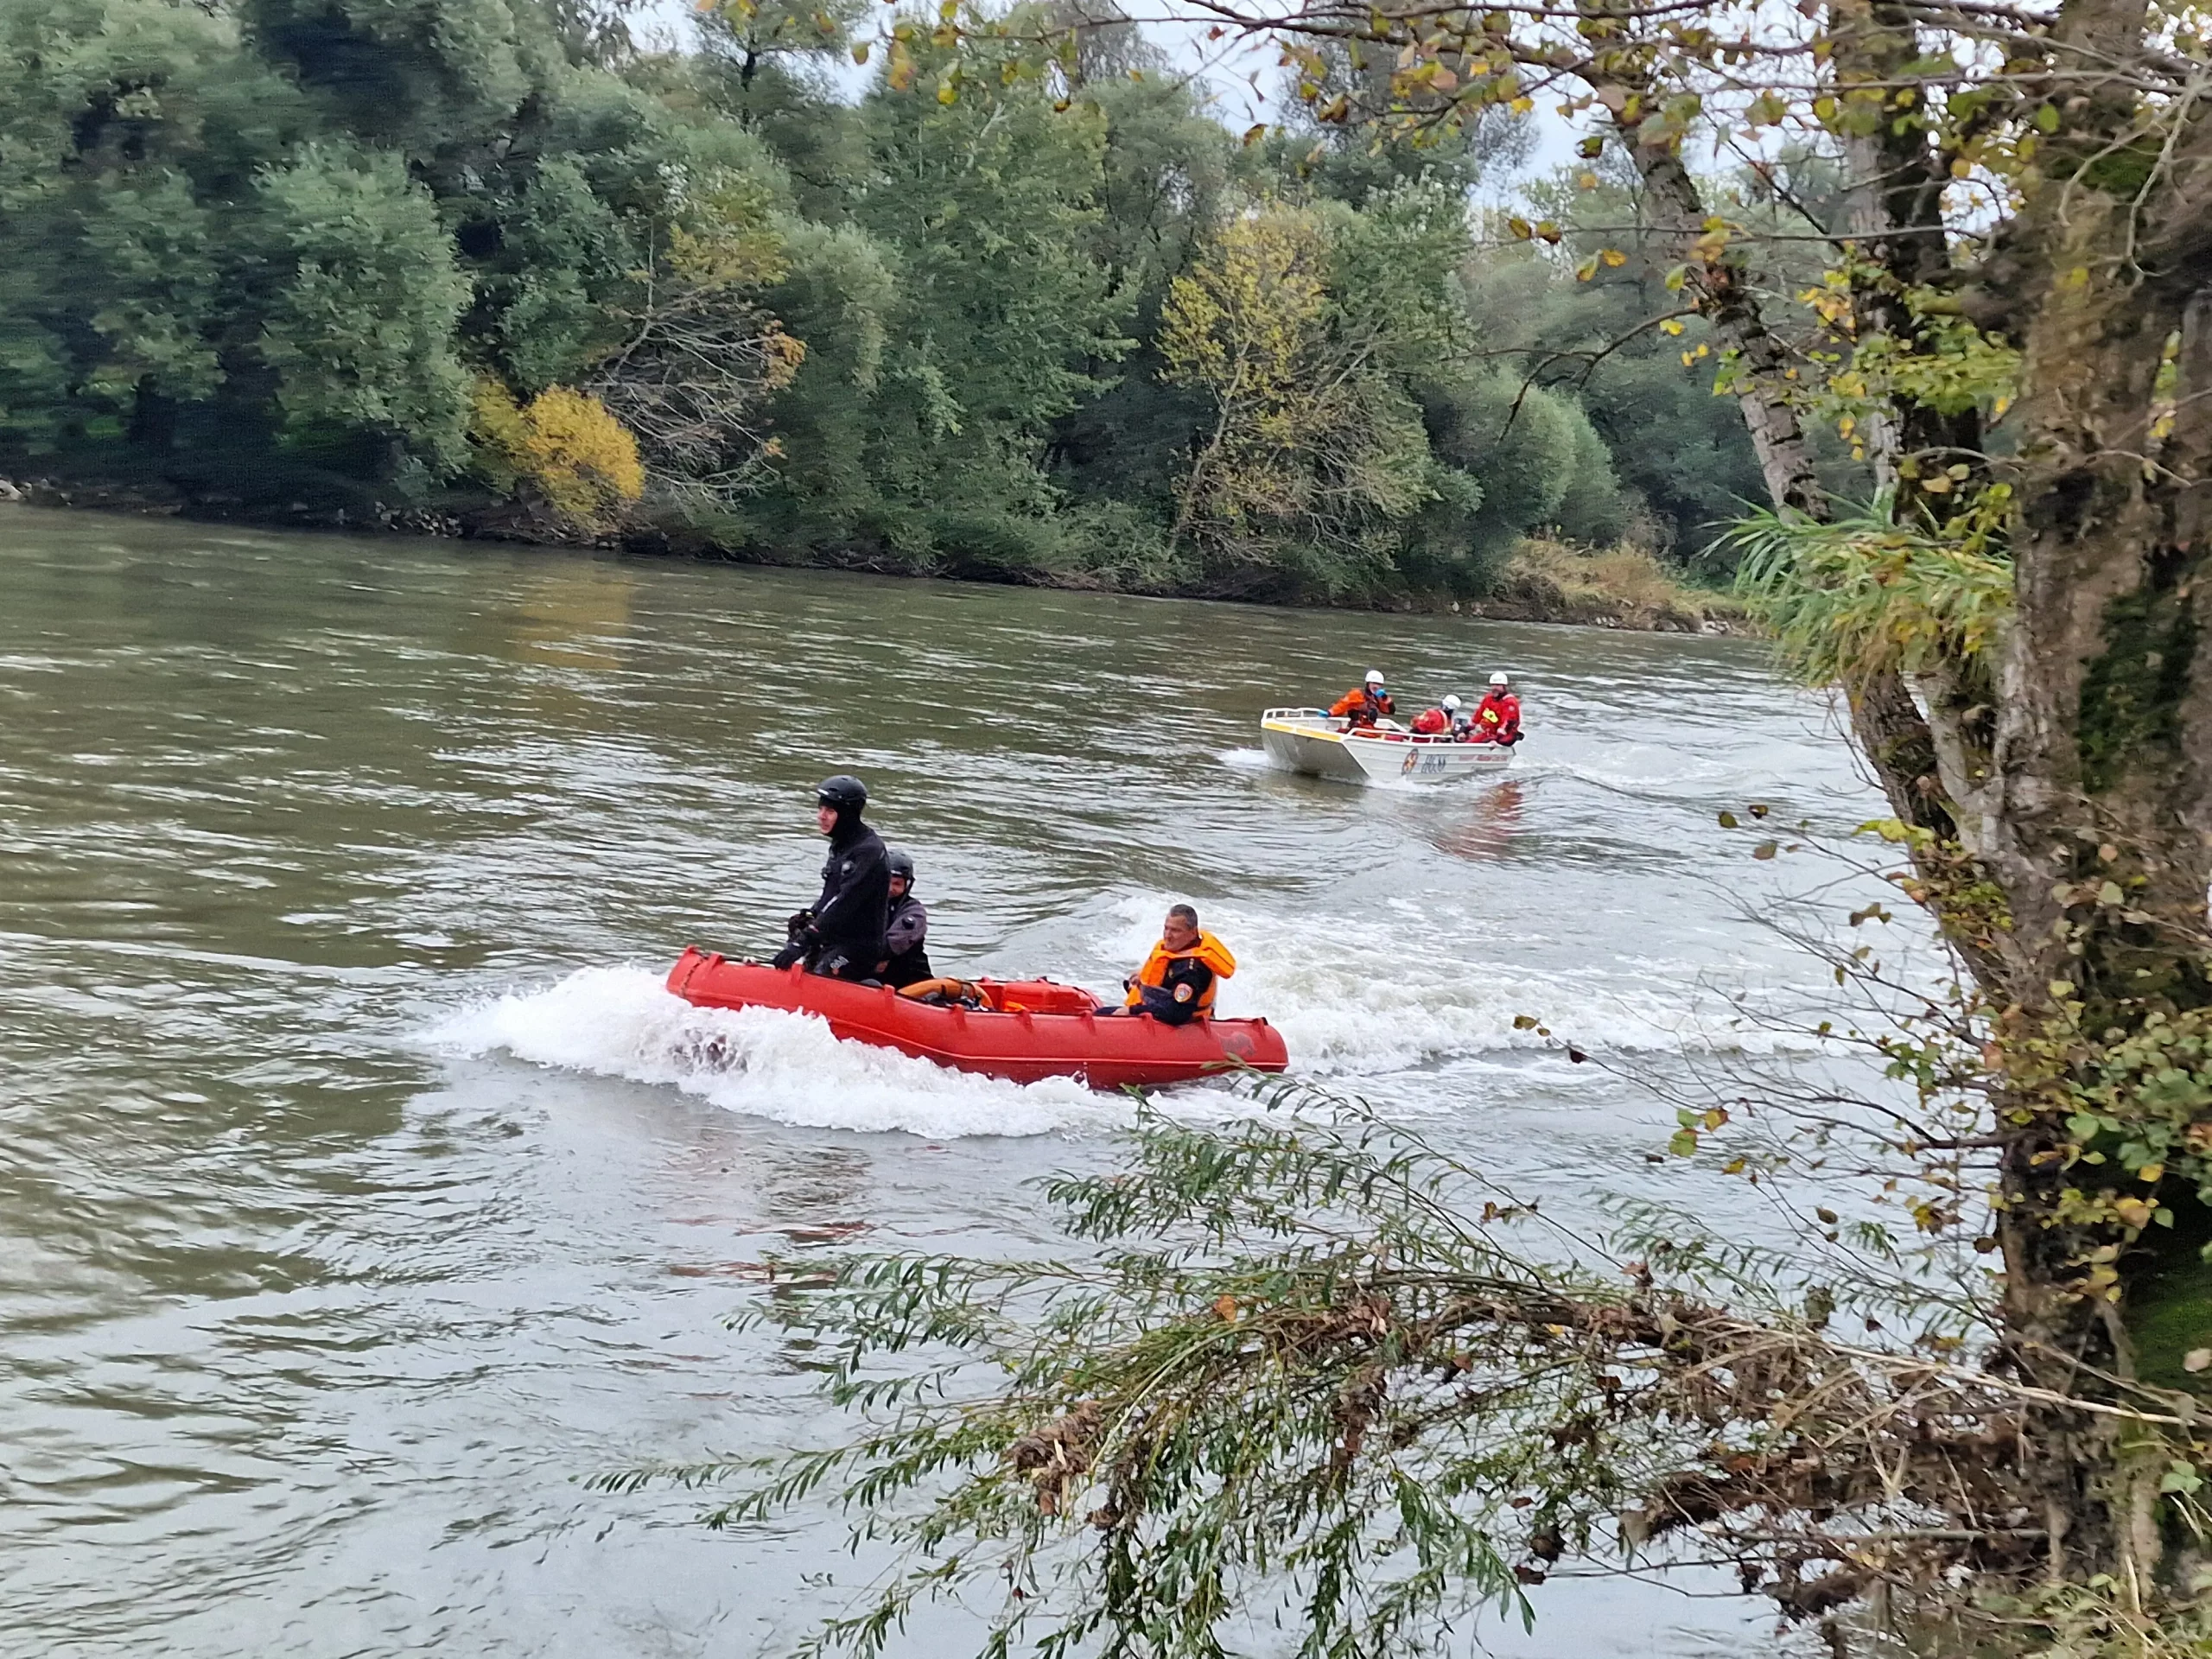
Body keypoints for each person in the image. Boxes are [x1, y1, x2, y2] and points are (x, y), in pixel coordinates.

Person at [771, 774, 889, 980]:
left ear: (848, 815)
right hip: (831, 938)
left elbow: (844, 902)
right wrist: (811, 915)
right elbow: (830, 894)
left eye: (830, 811)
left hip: (857, 947)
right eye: (820, 809)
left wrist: (803, 942)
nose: (821, 816)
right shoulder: (841, 844)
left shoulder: (869, 851)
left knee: (821, 976)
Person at [1119, 904, 1236, 1027]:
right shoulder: (1176, 951)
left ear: (1193, 933)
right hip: (1157, 1016)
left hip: (1186, 1027)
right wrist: (1143, 980)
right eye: (1166, 928)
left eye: (1175, 931)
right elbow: (1168, 981)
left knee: (1102, 1017)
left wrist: (1132, 1011)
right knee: (1102, 1014)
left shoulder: (1193, 970)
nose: (1167, 936)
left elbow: (1178, 1013)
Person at [878, 849, 933, 988]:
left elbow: (894, 943)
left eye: (897, 884)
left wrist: (872, 956)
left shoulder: (914, 911)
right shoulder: (861, 904)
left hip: (910, 985)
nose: (890, 888)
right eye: (887, 882)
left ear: (906, 885)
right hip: (871, 978)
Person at [1328, 669, 1394, 729]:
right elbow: (1342, 705)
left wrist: (1385, 698)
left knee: (1395, 733)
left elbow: (1390, 711)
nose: (1376, 686)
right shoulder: (1356, 694)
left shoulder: (1378, 698)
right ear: (1368, 683)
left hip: (1369, 729)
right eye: (1373, 683)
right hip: (1356, 729)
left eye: (1378, 684)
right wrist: (1330, 712)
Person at [1470, 671, 1522, 745]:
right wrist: (1466, 729)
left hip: (1504, 735)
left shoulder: (1510, 702)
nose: (1494, 688)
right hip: (1489, 733)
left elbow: (1507, 722)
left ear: (1504, 686)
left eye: (1497, 685)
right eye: (1493, 685)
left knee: (1500, 739)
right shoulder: (1488, 698)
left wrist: (1497, 738)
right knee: (1468, 740)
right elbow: (1477, 716)